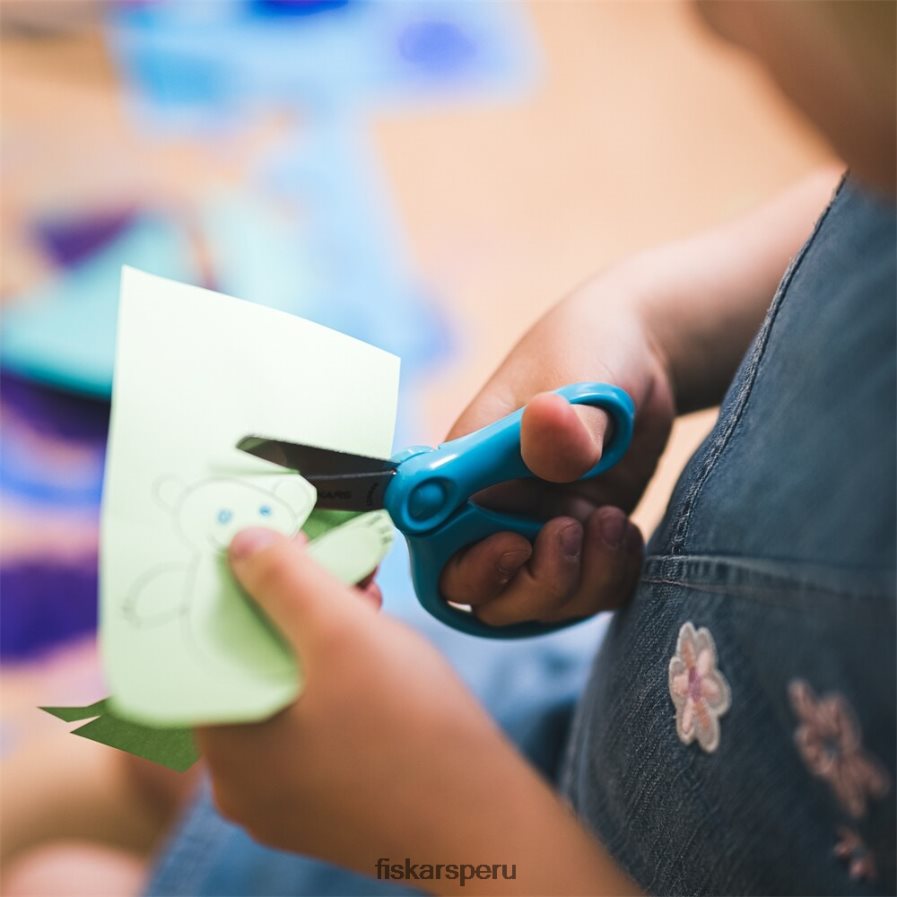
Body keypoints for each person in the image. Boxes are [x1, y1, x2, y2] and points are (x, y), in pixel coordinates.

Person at [155, 2, 896, 894]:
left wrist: (455, 823)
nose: (701, 19)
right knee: (155, 746)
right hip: (604, 713)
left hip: (508, 850)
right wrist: (655, 320)